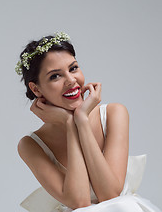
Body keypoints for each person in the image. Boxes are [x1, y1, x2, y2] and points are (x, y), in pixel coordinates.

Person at [16, 32, 161, 212]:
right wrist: (70, 125)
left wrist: (81, 121)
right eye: (55, 76)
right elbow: (79, 203)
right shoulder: (30, 145)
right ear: (36, 89)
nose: (71, 81)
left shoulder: (114, 113)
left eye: (73, 68)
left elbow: (111, 196)